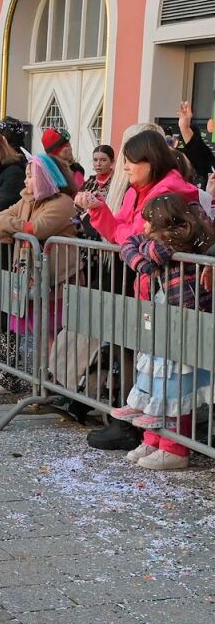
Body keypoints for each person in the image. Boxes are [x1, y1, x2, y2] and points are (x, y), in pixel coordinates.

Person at [76, 130, 200, 451]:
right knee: (153, 365)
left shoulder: (171, 191)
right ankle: (151, 436)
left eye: (131, 161)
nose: (125, 167)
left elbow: (142, 243)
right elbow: (122, 234)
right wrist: (99, 210)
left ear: (151, 160)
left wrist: (133, 246)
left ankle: (172, 444)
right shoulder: (136, 190)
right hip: (147, 286)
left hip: (172, 290)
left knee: (172, 369)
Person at [111, 193, 214, 469]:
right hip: (167, 313)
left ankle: (174, 446)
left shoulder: (180, 237)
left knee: (176, 385)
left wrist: (143, 255)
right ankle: (153, 438)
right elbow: (130, 244)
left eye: (147, 221)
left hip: (185, 317)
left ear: (162, 220)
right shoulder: (163, 237)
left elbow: (156, 251)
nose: (142, 227)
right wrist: (142, 260)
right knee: (158, 377)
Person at [0, 155, 78, 396]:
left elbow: (38, 228)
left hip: (59, 277)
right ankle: (45, 378)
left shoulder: (63, 202)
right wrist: (16, 227)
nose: (26, 180)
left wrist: (13, 228)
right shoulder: (26, 200)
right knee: (42, 332)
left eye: (30, 175)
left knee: (54, 331)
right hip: (34, 276)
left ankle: (57, 381)